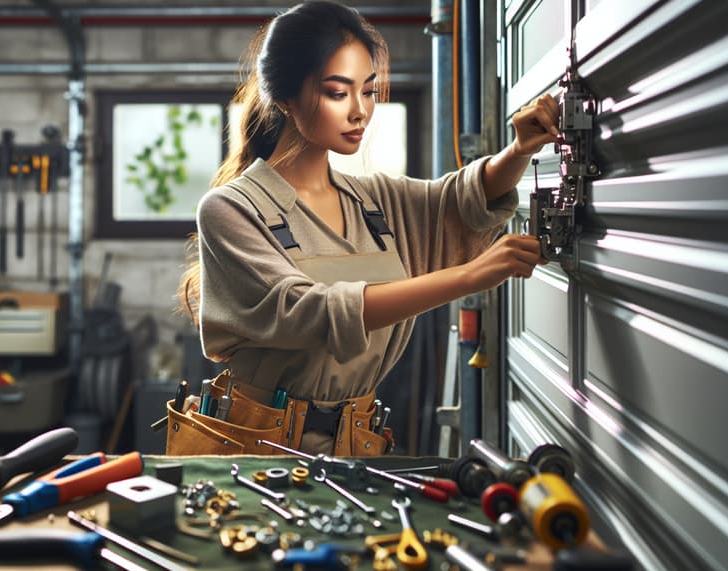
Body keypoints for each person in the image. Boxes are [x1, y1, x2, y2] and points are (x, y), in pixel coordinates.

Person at [169, 0, 557, 457]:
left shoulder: (375, 202)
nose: (360, 112)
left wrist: (519, 150)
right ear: (286, 99)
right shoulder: (230, 209)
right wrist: (472, 277)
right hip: (254, 447)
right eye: (338, 92)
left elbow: (458, 204)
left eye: (368, 91)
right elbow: (307, 311)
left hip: (356, 444)